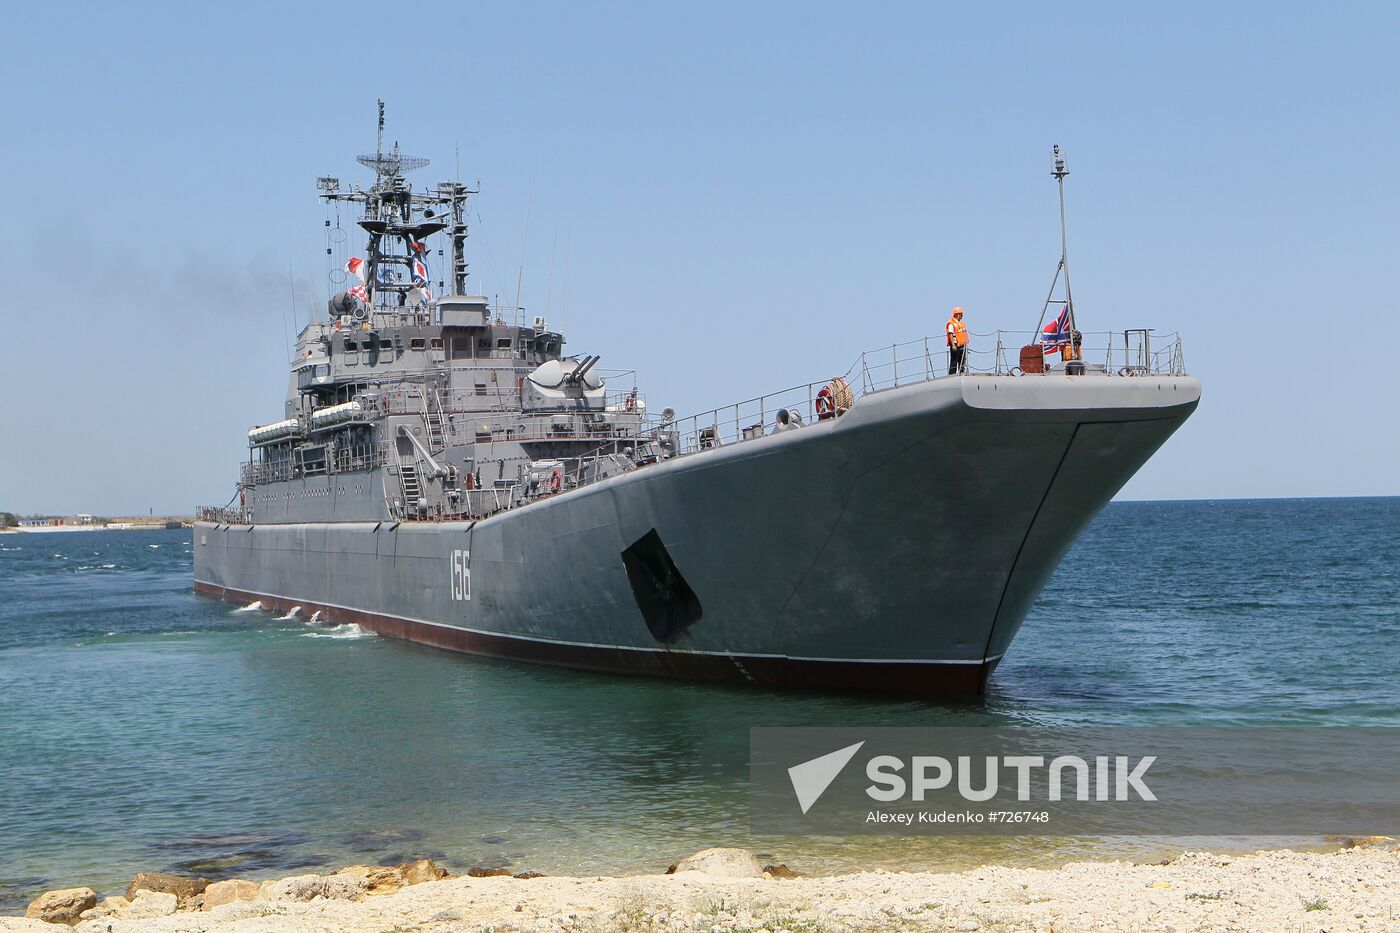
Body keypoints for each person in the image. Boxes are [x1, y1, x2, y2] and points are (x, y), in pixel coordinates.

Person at [946, 306, 969, 374]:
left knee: (962, 361)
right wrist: (953, 345)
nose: (962, 316)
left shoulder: (961, 324)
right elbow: (950, 334)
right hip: (956, 345)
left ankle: (962, 372)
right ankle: (952, 374)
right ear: (958, 314)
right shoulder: (951, 324)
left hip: (962, 345)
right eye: (961, 314)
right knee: (954, 361)